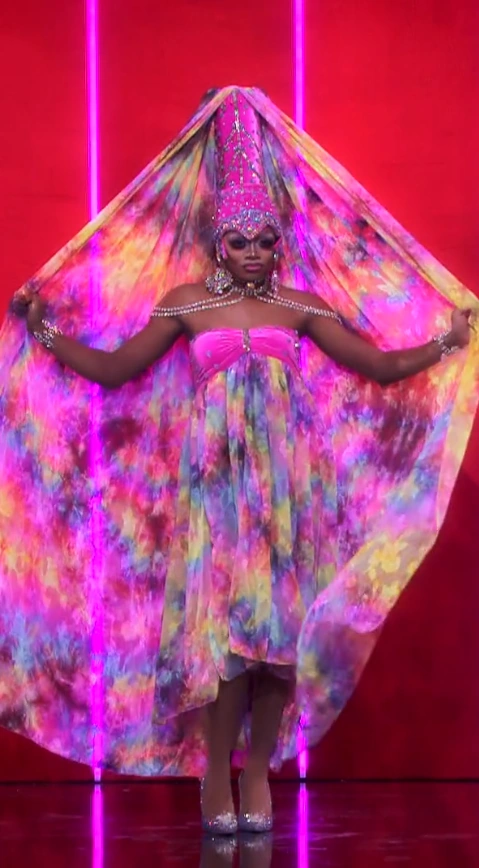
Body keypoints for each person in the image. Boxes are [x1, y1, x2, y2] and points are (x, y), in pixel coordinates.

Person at [2, 88, 478, 836]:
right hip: (216, 492)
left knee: (276, 647)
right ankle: (214, 779)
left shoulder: (299, 306)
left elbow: (380, 368)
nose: (253, 252)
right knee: (226, 645)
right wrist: (45, 334)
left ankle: (256, 773)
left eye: (263, 241)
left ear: (276, 244)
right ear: (218, 243)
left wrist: (445, 342)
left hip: (284, 492)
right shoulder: (188, 302)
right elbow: (116, 371)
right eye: (239, 241)